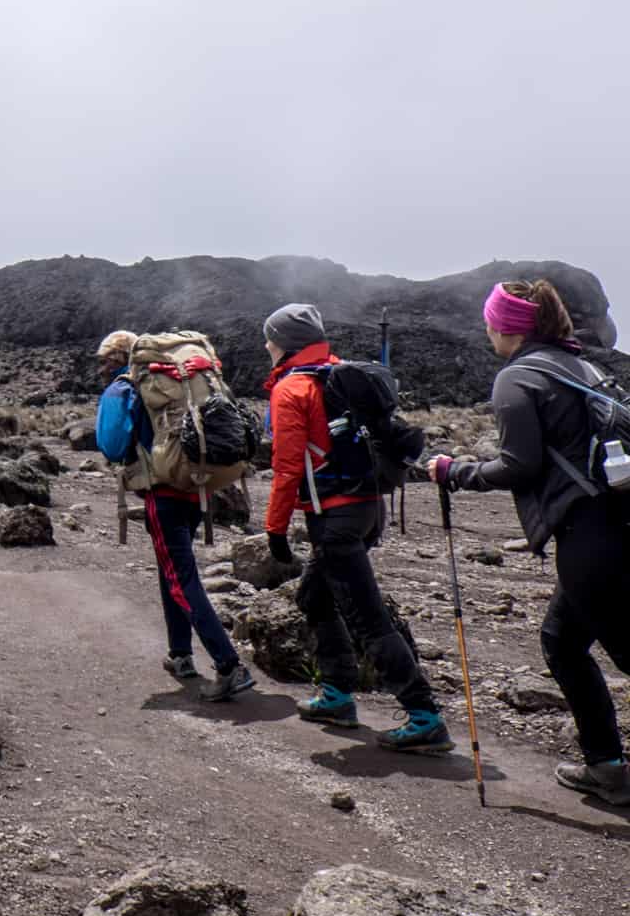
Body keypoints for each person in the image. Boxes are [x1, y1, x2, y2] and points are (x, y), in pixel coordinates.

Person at [427, 280, 630, 805]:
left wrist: (456, 471)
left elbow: (520, 465)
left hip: (591, 535)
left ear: (507, 326)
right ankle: (606, 768)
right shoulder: (582, 367)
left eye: (490, 320)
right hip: (616, 522)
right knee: (562, 642)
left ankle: (609, 768)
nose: (487, 329)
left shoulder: (518, 378)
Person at [262, 303, 451, 752]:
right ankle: (337, 693)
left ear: (283, 342)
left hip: (336, 516)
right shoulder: (338, 376)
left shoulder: (293, 389)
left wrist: (275, 529)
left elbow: (288, 467)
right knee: (314, 597)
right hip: (366, 507)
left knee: (368, 618)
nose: (266, 346)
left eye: (269, 338)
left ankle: (424, 715)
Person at [95, 329, 256, 702]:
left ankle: (230, 665)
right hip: (195, 487)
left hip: (161, 491)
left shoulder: (126, 387)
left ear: (119, 358)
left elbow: (111, 444)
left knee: (181, 578)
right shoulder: (177, 382)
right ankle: (180, 654)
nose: (101, 368)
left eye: (104, 360)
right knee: (174, 571)